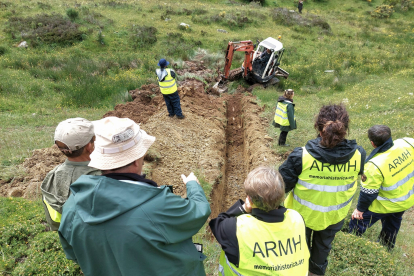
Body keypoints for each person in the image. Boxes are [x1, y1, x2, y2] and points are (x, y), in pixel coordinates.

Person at [58, 117, 211, 276]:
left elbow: (74, 253)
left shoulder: (72, 207)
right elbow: (198, 212)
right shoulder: (159, 206)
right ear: (137, 161)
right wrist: (193, 185)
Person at [279, 104, 366, 276]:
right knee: (322, 249)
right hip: (334, 216)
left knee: (298, 249)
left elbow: (280, 187)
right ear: (345, 129)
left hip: (300, 216)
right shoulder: (359, 154)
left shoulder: (300, 156)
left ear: (319, 129)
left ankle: (298, 271)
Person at [210, 167, 310, 276]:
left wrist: (243, 208)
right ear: (282, 197)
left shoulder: (236, 228)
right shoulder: (297, 219)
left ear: (249, 200)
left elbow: (218, 222)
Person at [349, 125, 414, 250]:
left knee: (357, 223)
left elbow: (368, 193)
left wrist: (359, 210)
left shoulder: (374, 166)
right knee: (391, 226)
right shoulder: (407, 142)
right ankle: (386, 249)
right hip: (405, 200)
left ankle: (349, 246)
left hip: (384, 204)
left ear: (373, 143)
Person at [41, 118, 100, 231]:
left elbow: (54, 221)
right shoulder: (101, 177)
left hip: (68, 238)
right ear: (89, 146)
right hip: (97, 241)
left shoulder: (51, 177)